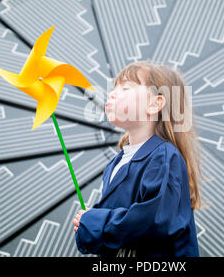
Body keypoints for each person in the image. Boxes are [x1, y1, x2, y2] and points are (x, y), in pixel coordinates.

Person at [73, 60, 204, 257]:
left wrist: (96, 222)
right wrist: (86, 226)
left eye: (125, 88)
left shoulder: (164, 156)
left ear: (155, 104)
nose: (112, 93)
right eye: (114, 87)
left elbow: (155, 220)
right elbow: (114, 232)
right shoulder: (115, 164)